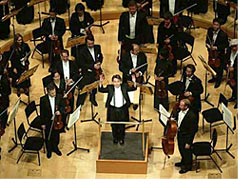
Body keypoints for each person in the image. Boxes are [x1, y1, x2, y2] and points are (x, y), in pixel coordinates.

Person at [98, 74, 137, 145]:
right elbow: (101, 90)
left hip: (123, 109)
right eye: (115, 82)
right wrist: (100, 82)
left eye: (118, 81)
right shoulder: (110, 87)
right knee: (113, 125)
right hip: (113, 109)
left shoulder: (124, 86)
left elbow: (134, 88)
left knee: (122, 125)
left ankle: (121, 138)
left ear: (121, 82)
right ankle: (115, 138)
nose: (116, 83)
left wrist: (134, 82)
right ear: (112, 82)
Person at [76, 34, 103, 107]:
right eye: (89, 44)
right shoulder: (82, 51)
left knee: (94, 86)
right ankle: (79, 104)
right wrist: (92, 66)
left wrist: (99, 62)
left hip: (96, 71)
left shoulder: (98, 47)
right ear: (86, 43)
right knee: (84, 88)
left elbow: (100, 56)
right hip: (87, 72)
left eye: (92, 43)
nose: (91, 45)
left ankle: (92, 98)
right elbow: (81, 63)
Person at [40, 82, 65, 159]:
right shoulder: (43, 100)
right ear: (48, 92)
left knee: (56, 135)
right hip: (48, 121)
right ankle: (49, 150)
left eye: (54, 92)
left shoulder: (59, 97)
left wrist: (59, 111)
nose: (54, 94)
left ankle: (55, 147)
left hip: (57, 120)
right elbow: (42, 112)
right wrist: (43, 123)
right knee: (48, 136)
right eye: (52, 93)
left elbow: (62, 106)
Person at [173, 99, 198, 174]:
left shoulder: (191, 116)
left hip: (186, 137)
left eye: (181, 105)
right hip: (180, 134)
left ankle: (188, 166)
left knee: (186, 151)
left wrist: (188, 142)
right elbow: (178, 119)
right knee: (181, 149)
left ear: (186, 106)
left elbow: (193, 131)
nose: (179, 106)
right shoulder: (179, 111)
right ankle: (183, 161)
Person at [51, 49, 78, 113]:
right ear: (61, 56)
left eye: (66, 56)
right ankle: (63, 111)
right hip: (62, 84)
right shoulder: (58, 64)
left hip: (71, 84)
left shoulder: (72, 63)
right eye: (64, 57)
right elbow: (53, 71)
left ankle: (71, 110)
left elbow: (77, 73)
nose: (65, 58)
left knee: (71, 98)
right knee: (62, 99)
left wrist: (71, 79)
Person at [205, 18, 229, 88]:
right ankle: (214, 77)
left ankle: (218, 80)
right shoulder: (209, 30)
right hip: (211, 52)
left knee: (219, 68)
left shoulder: (223, 35)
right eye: (214, 24)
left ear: (219, 26)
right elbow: (207, 39)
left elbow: (226, 45)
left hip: (219, 54)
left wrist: (216, 48)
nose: (215, 26)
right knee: (212, 65)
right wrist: (207, 44)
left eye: (217, 25)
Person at [225, 39, 238, 109]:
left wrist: (234, 69)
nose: (234, 48)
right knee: (232, 85)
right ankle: (234, 96)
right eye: (232, 46)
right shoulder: (229, 51)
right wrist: (227, 64)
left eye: (235, 46)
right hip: (231, 73)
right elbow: (226, 58)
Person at [0, 65, 11, 131]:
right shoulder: (4, 79)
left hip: (3, 99)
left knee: (3, 112)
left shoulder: (4, 80)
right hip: (3, 98)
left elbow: (8, 92)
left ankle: (3, 126)